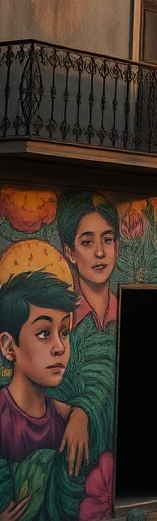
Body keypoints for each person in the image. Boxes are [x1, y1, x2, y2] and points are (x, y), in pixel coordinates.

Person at [0, 271, 90, 477]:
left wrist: (81, 414)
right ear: (9, 346)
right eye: (44, 333)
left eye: (65, 332)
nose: (59, 348)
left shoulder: (68, 417)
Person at [56, 190, 120, 331]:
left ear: (117, 247)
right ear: (70, 252)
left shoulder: (125, 310)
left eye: (107, 240)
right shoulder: (63, 318)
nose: (99, 252)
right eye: (87, 242)